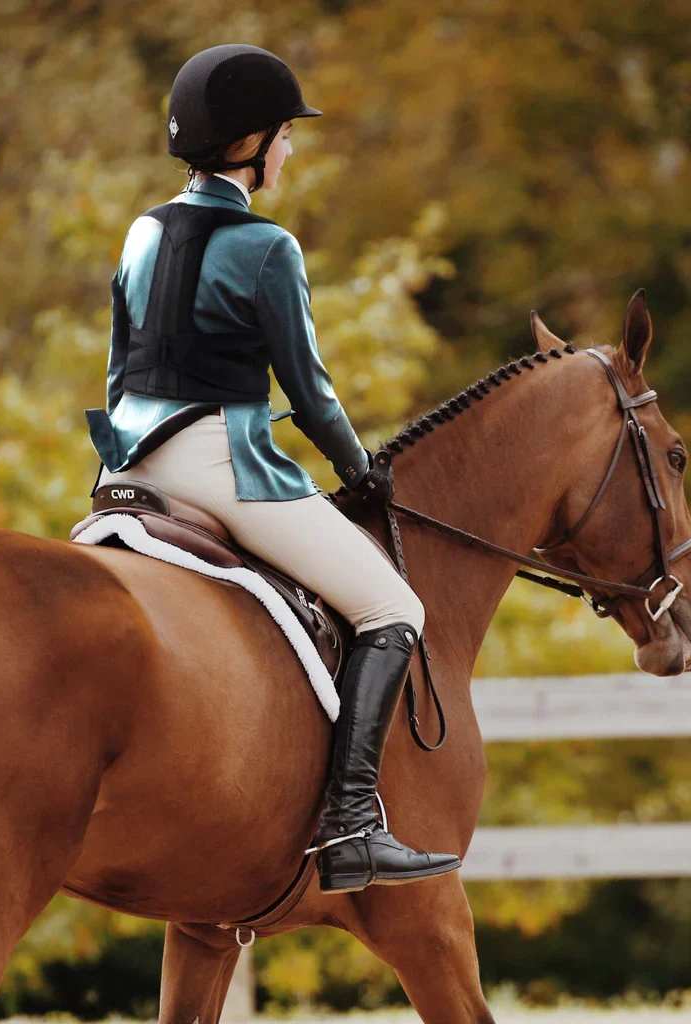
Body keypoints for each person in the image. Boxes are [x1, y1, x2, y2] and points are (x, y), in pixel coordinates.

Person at [84, 44, 460, 895]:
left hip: (129, 466)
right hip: (222, 464)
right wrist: (360, 470)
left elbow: (117, 368)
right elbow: (312, 393)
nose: (288, 152)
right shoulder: (267, 246)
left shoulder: (142, 231)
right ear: (252, 143)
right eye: (286, 135)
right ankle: (354, 824)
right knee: (394, 606)